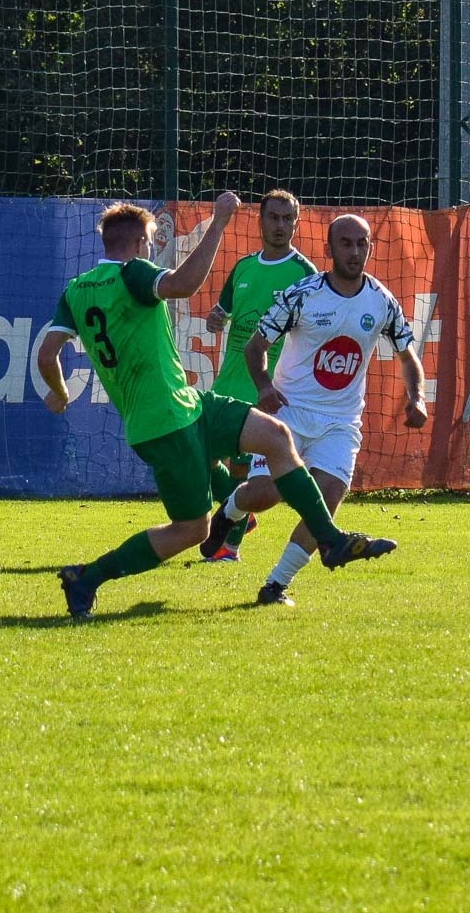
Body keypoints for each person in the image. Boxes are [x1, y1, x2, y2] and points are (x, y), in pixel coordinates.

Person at [33, 195, 396, 619]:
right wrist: (219, 223)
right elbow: (184, 284)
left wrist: (60, 393)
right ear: (139, 243)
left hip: (188, 404)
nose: (151, 252)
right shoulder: (132, 272)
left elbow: (47, 354)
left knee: (276, 436)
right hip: (165, 423)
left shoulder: (75, 290)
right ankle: (88, 577)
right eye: (150, 244)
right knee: (192, 528)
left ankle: (330, 540)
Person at [199, 213, 427, 607]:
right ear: (329, 248)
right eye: (346, 243)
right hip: (290, 412)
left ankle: (275, 586)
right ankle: (230, 512)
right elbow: (255, 347)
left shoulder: (382, 300)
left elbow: (408, 357)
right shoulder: (303, 294)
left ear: (371, 248)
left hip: (341, 422)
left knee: (328, 497)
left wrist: (417, 397)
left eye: (362, 244)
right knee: (265, 494)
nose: (354, 251)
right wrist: (264, 386)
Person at [199, 188, 316, 561]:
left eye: (288, 218)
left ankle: (228, 548)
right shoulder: (244, 267)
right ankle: (241, 514)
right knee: (199, 455)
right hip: (228, 381)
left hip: (268, 387)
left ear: (296, 223)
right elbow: (223, 311)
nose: (281, 225)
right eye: (274, 217)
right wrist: (216, 317)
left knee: (242, 468)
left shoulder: (305, 274)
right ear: (260, 221)